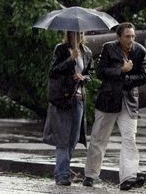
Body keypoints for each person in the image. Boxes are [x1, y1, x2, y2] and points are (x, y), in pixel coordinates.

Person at [83, 22, 146, 191]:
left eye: (133, 36)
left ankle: (128, 177)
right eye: (127, 36)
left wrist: (127, 79)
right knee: (99, 138)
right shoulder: (108, 48)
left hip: (129, 101)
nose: (131, 39)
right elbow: (101, 71)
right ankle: (90, 175)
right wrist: (121, 70)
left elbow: (144, 75)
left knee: (129, 139)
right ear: (119, 37)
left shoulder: (140, 50)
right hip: (108, 99)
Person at [42, 31, 93, 186]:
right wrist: (70, 59)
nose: (79, 35)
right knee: (62, 138)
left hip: (78, 100)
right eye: (75, 33)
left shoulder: (87, 52)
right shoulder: (61, 49)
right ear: (69, 34)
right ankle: (62, 175)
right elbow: (53, 71)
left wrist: (84, 77)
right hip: (63, 99)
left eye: (81, 32)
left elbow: (90, 73)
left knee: (73, 139)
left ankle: (63, 170)